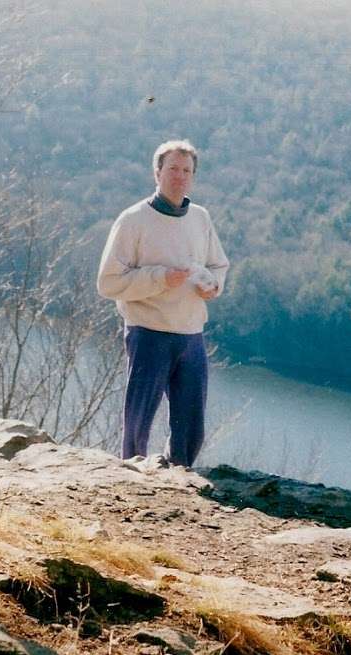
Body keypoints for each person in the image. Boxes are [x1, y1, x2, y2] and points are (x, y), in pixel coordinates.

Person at [97, 140, 229, 467]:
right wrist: (159, 278)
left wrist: (213, 286)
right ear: (157, 172)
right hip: (148, 332)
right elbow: (107, 282)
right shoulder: (133, 219)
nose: (179, 176)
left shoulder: (200, 218)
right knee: (138, 422)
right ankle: (129, 482)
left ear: (193, 177)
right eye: (172, 169)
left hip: (191, 334)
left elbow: (218, 265)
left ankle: (178, 481)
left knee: (191, 427)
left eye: (186, 170)